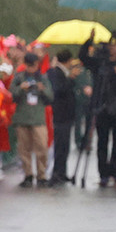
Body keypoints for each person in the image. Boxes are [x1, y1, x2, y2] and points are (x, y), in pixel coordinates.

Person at [79, 32, 116, 187]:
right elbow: (83, 58)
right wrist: (89, 40)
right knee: (102, 143)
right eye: (111, 45)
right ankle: (103, 174)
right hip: (102, 107)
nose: (113, 48)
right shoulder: (100, 62)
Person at [9, 50, 51, 187]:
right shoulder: (19, 77)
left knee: (42, 147)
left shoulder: (43, 78)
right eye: (30, 66)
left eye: (34, 66)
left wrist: (42, 89)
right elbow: (11, 94)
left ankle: (42, 174)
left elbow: (50, 97)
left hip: (38, 117)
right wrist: (21, 88)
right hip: (23, 116)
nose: (32, 69)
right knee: (24, 148)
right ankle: (28, 174)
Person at [47, 49, 77, 185]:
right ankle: (57, 172)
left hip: (67, 114)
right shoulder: (55, 72)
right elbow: (58, 90)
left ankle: (62, 171)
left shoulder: (63, 73)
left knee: (65, 144)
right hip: (60, 113)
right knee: (60, 144)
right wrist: (70, 79)